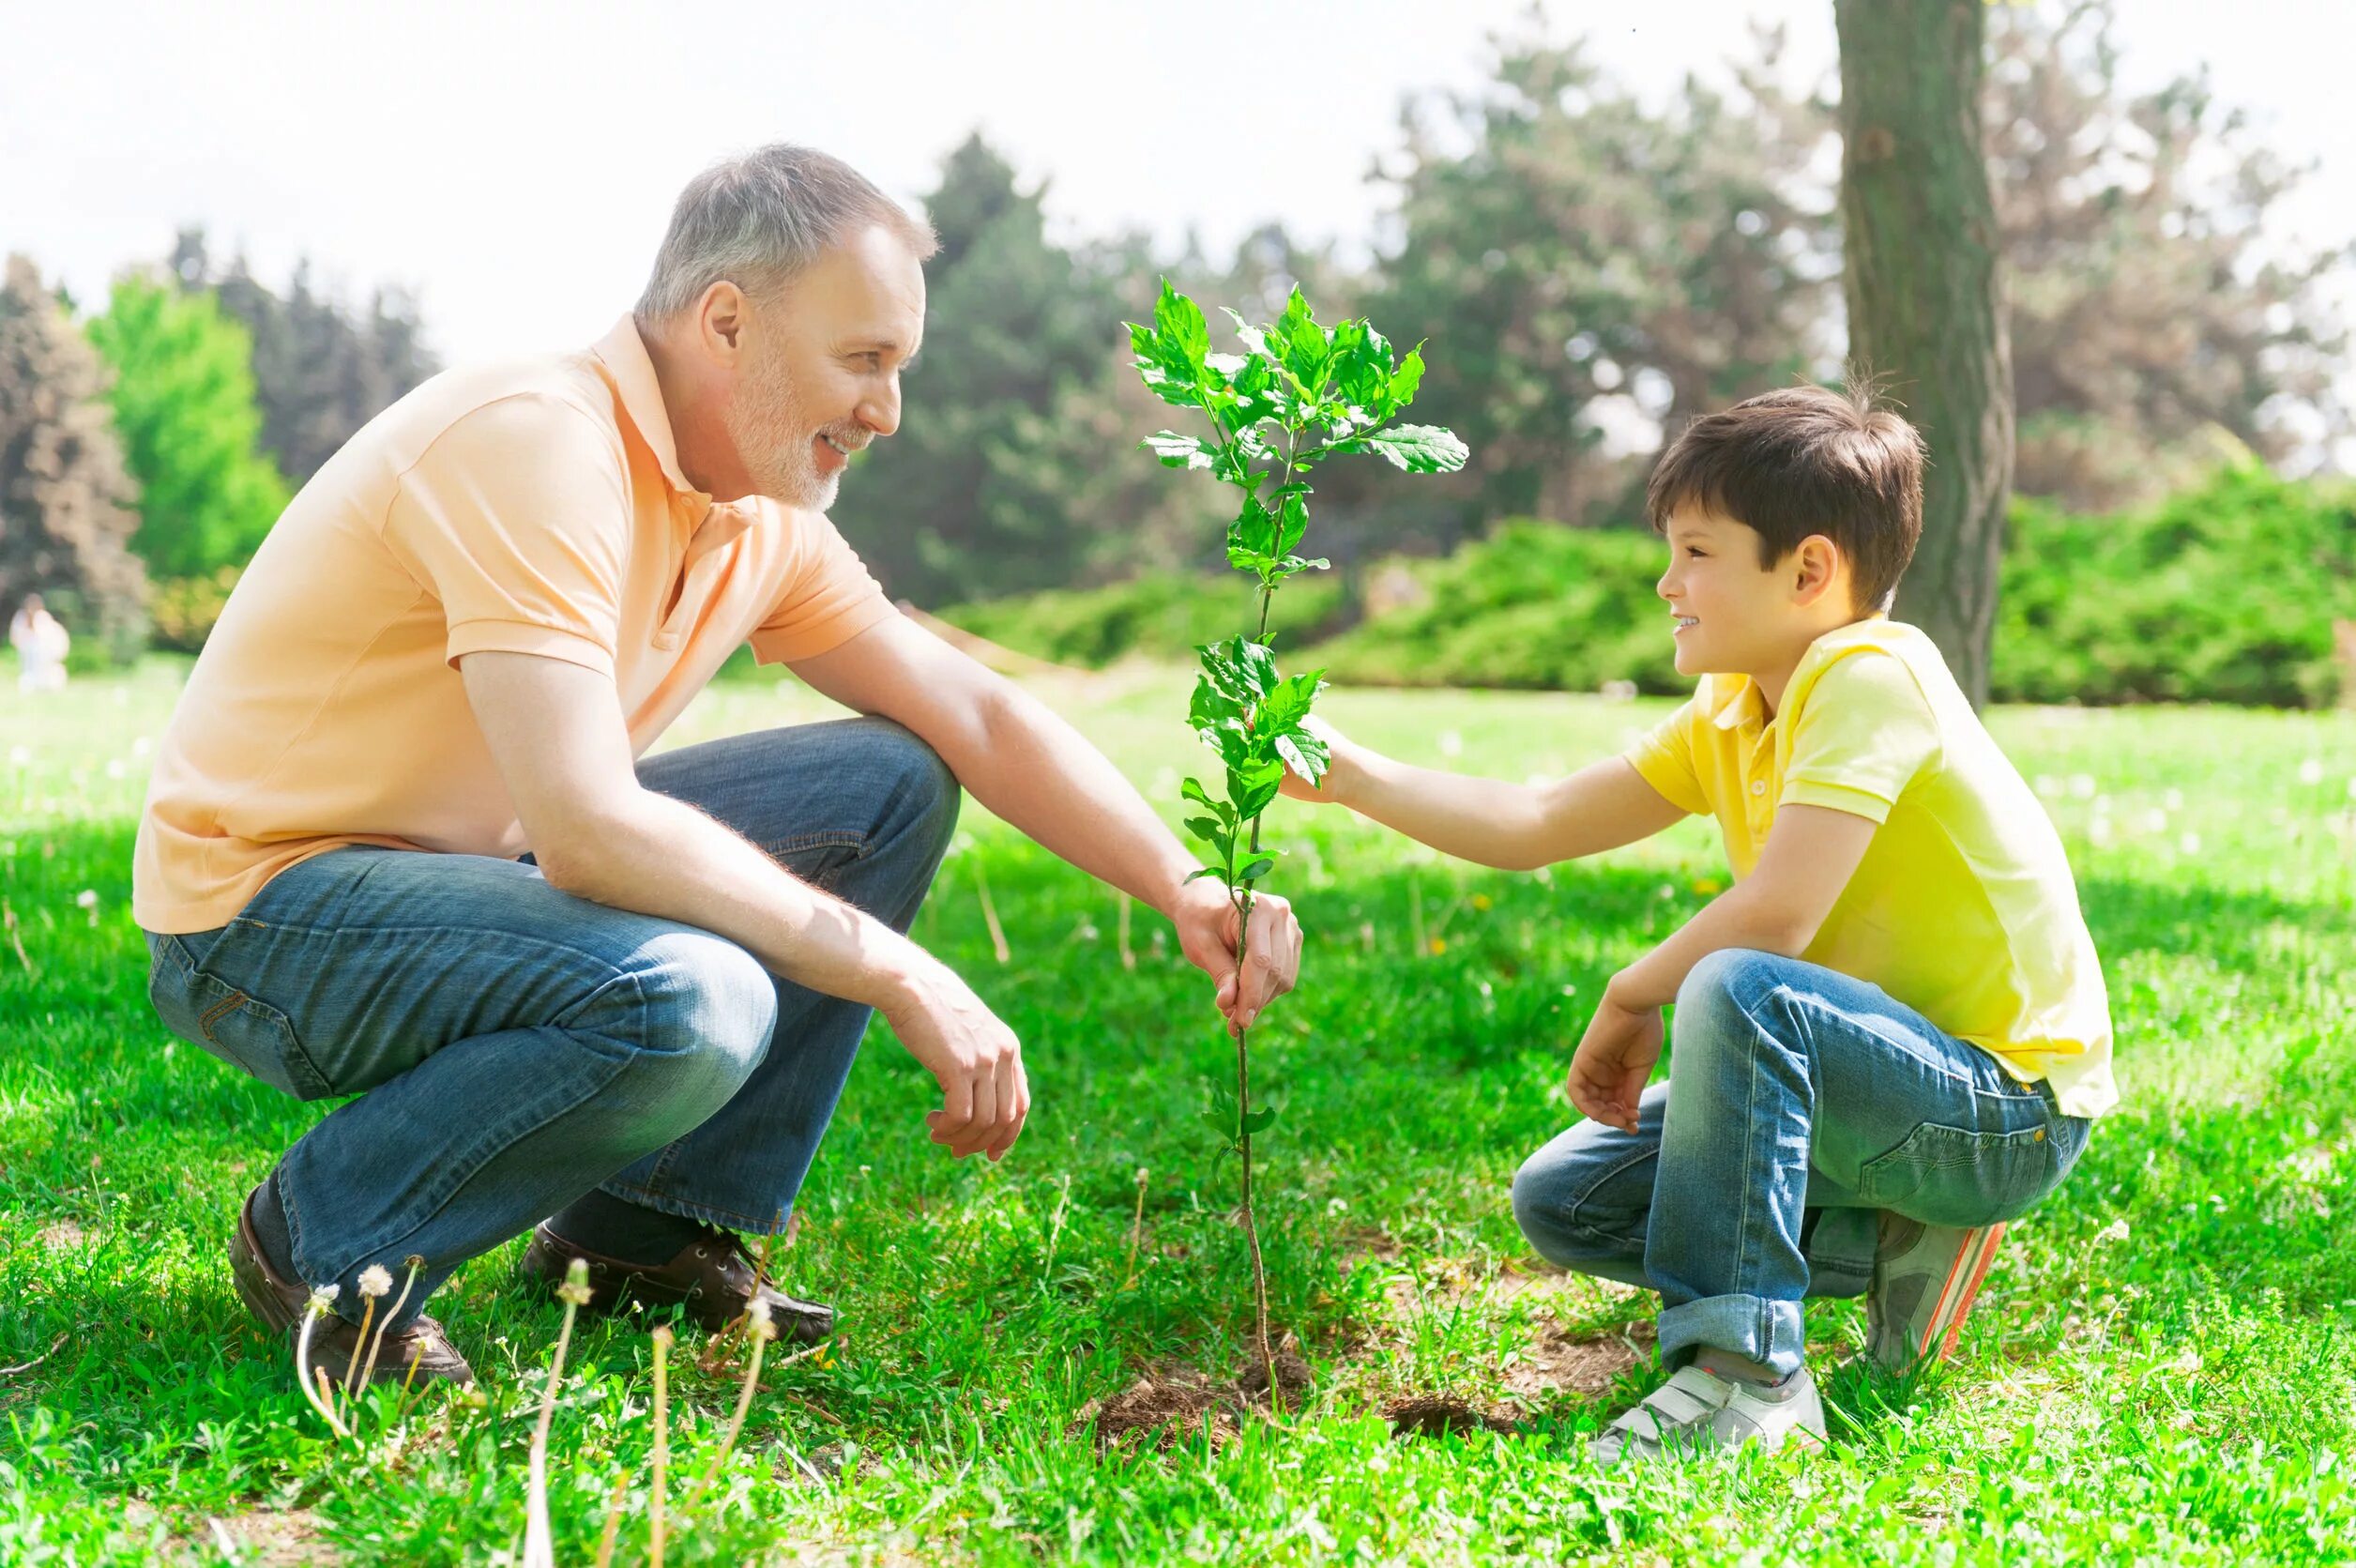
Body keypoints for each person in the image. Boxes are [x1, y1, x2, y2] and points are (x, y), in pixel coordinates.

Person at [131, 145, 1303, 1389]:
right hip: (264, 919)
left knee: (892, 779)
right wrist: (891, 966)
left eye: (897, 368)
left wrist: (1177, 878)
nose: (887, 410)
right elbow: (586, 827)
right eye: (863, 360)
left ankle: (637, 1228)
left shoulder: (761, 516)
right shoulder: (541, 443)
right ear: (727, 321)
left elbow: (971, 710)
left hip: (468, 875)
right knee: (693, 999)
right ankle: (327, 1239)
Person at [1281, 385, 2113, 1463]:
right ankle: (1908, 1237)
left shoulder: (1872, 676)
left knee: (1741, 982)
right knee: (1569, 1198)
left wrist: (1634, 993)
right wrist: (1352, 776)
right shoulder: (1731, 707)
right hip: (1879, 1090)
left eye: (1697, 552)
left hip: (2007, 1107)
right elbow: (1535, 823)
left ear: (1809, 571)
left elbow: (1780, 912)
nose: (1666, 582)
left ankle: (1748, 1378)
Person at [9, 593, 69, 692]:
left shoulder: (44, 618)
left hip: (44, 659)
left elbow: (52, 640)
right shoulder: (20, 618)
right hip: (28, 658)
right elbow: (15, 638)